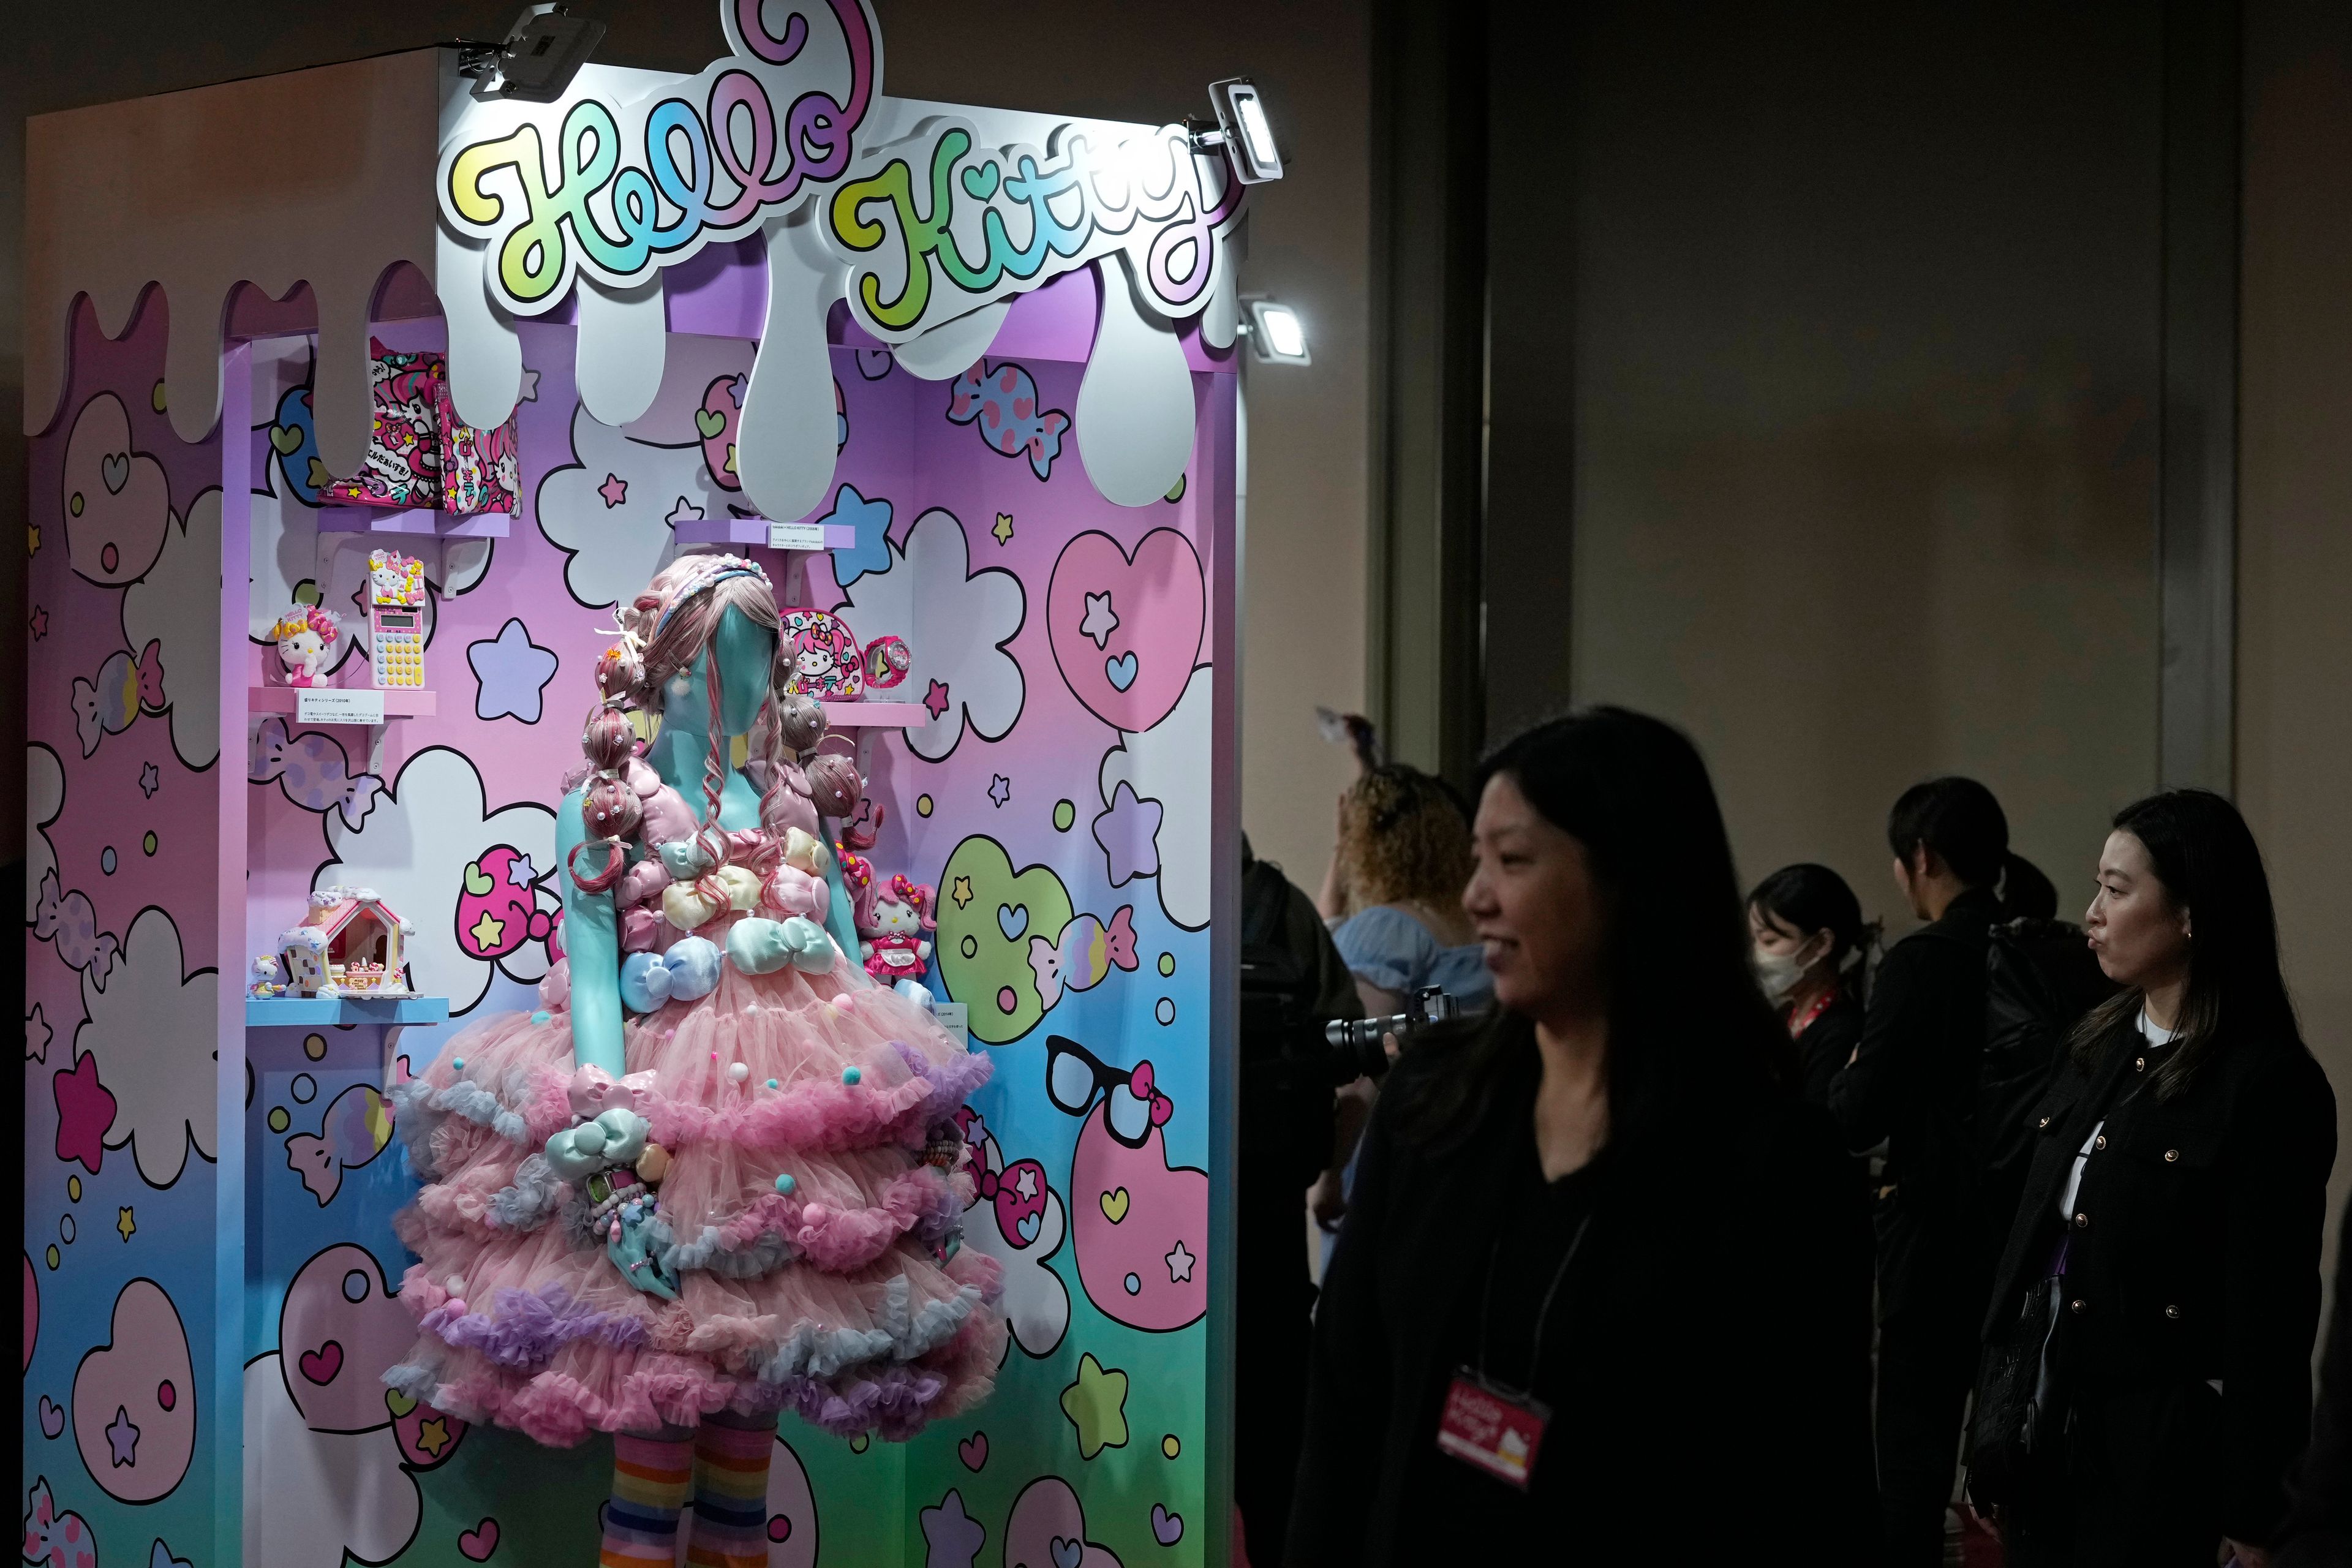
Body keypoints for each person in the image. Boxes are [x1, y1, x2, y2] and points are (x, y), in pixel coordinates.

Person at [386, 557, 1003, 1568]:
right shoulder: (605, 811)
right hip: (657, 1110)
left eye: (762, 659)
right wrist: (608, 1152)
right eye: (725, 661)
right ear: (668, 668)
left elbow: (847, 963)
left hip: (793, 1128)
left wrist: (898, 1090)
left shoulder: (793, 807)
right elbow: (592, 978)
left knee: (743, 1449)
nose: (749, 688)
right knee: (655, 1426)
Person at [1287, 708, 1876, 1564]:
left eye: (1514, 860)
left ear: (1631, 879)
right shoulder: (1436, 1102)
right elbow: (1343, 1409)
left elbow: (1812, 1490)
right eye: (1477, 860)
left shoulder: (1772, 1165)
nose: (1475, 897)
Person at [1980, 790, 2335, 1567]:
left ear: (2191, 914)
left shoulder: (2265, 1082)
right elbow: (2029, 1239)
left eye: (2116, 889)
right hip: (2047, 1421)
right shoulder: (2097, 1042)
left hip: (2160, 1446)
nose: (2092, 913)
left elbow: (2268, 1313)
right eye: (2097, 886)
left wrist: (2257, 1511)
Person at [1831, 775, 2046, 1567]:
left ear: (1919, 858)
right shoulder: (2037, 944)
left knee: (1911, 1474)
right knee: (2010, 1460)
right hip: (2023, 1237)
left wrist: (1852, 1067)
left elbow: (1858, 1113)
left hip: (1931, 1241)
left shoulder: (1923, 960)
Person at [1235, 835, 1362, 1563]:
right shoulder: (1287, 912)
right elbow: (1354, 1078)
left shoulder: (1136, 902)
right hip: (1271, 1221)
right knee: (1276, 1444)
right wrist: (1330, 1176)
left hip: (1149, 1219)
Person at [1748, 862, 1873, 1107]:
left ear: (1820, 944)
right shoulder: (1783, 1016)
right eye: (1754, 941)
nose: (1756, 955)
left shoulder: (1842, 1033)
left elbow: (1813, 1128)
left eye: (1769, 941)